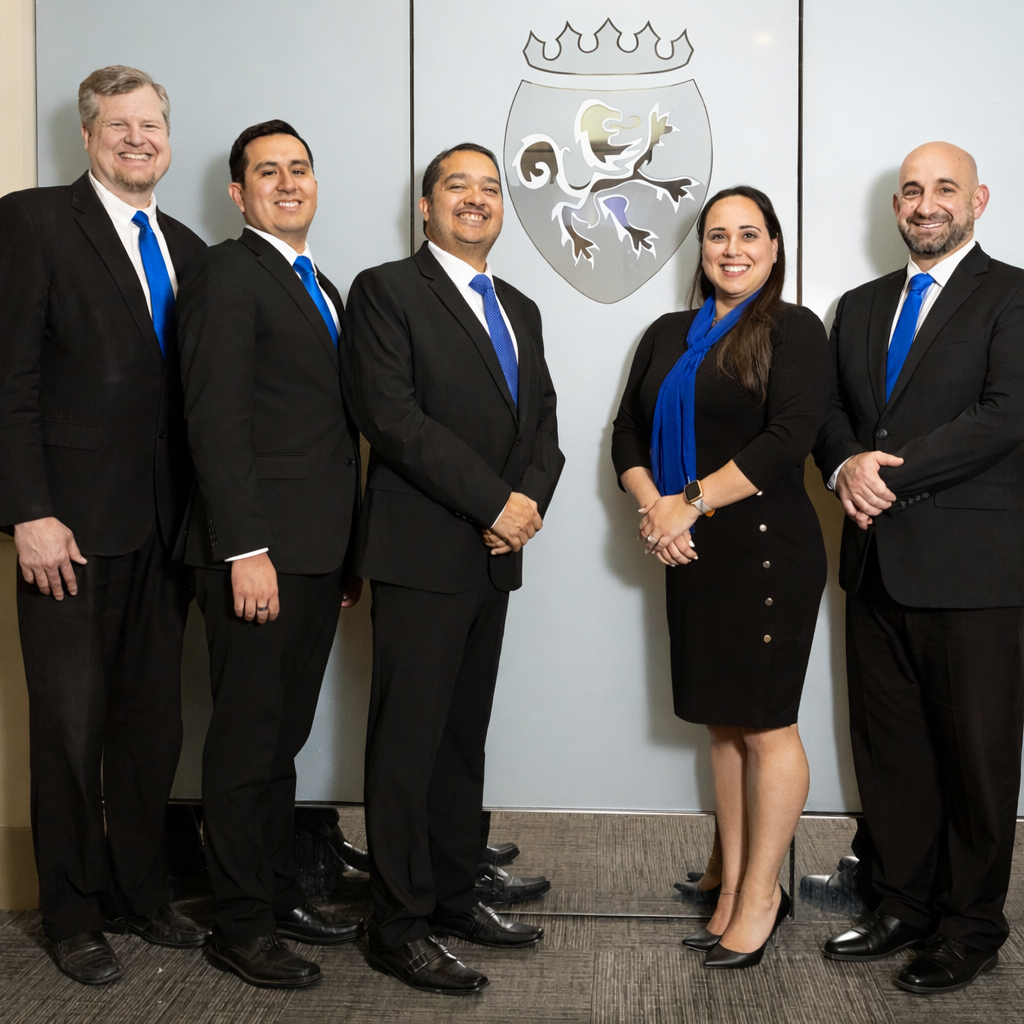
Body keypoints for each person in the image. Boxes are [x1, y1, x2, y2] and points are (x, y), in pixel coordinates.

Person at [0, 65, 208, 984]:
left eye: (151, 124)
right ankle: (72, 912)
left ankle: (139, 892)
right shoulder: (35, 220)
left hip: (166, 534)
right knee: (69, 732)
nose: (137, 139)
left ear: (169, 136)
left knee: (149, 730)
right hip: (69, 532)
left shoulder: (190, 248)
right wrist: (28, 513)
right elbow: (7, 382)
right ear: (87, 137)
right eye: (118, 125)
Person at [344, 142, 564, 993]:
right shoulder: (386, 292)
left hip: (494, 556)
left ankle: (448, 893)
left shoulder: (519, 305)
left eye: (489, 188)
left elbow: (542, 420)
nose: (475, 199)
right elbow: (393, 419)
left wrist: (528, 505)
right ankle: (394, 925)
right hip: (423, 551)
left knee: (459, 737)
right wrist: (494, 502)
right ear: (426, 207)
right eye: (456, 187)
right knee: (406, 744)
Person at [814, 142, 1024, 994]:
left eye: (943, 189)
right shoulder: (858, 307)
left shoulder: (1012, 296)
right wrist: (841, 467)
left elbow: (1006, 414)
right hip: (874, 564)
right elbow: (829, 412)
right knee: (891, 750)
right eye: (911, 191)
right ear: (895, 208)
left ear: (978, 199)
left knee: (975, 757)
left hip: (975, 572)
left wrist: (879, 472)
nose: (925, 203)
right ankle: (902, 902)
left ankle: (970, 925)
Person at [612, 186, 830, 969]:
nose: (731, 249)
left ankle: (763, 895)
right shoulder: (668, 333)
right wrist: (657, 509)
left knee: (768, 725)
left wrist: (689, 504)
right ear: (699, 249)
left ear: (774, 248)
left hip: (766, 548)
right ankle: (733, 880)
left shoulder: (793, 329)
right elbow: (627, 433)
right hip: (690, 547)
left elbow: (790, 437)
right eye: (716, 236)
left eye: (749, 235)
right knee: (724, 725)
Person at [176, 120, 364, 989]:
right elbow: (215, 424)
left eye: (299, 169)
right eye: (267, 172)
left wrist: (345, 556)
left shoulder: (316, 281)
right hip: (256, 556)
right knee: (250, 740)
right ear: (237, 193)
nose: (287, 183)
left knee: (283, 736)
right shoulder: (226, 273)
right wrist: (243, 548)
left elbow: (325, 433)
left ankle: (278, 887)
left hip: (316, 554)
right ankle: (239, 923)